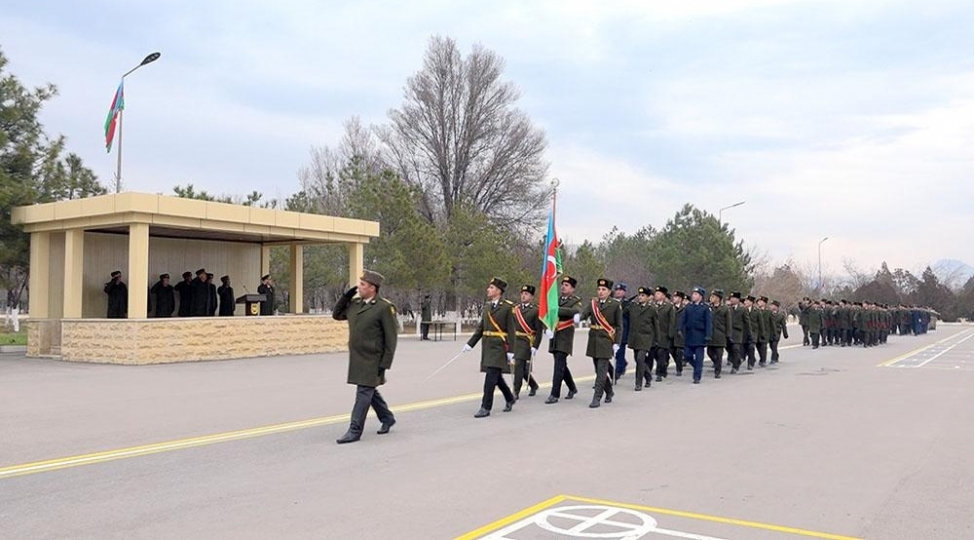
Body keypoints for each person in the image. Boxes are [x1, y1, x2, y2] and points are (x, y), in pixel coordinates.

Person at [333, 270, 398, 444]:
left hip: (373, 359)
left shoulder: (384, 308)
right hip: (357, 357)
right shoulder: (355, 304)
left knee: (363, 392)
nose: (359, 287)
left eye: (363, 284)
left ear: (372, 288)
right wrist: (345, 297)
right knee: (368, 390)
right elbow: (337, 314)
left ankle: (355, 430)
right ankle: (387, 417)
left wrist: (385, 363)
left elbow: (391, 339)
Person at [461, 277, 517, 418]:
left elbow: (511, 330)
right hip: (487, 346)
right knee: (496, 377)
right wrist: (470, 344)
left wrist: (511, 351)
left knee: (490, 377)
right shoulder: (487, 306)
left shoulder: (507, 307)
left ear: (498, 291)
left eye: (491, 288)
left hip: (499, 347)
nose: (488, 290)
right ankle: (509, 397)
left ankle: (485, 407)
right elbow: (481, 328)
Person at [574, 278, 623, 408]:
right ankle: (609, 391)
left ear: (609, 291)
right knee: (598, 370)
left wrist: (617, 342)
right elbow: (585, 314)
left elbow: (619, 326)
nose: (600, 292)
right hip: (594, 340)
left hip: (606, 340)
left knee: (601, 370)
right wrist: (578, 317)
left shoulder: (615, 305)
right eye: (599, 289)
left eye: (604, 289)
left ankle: (596, 397)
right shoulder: (593, 303)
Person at [545, 276, 582, 404]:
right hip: (555, 336)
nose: (563, 287)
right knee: (561, 365)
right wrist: (547, 327)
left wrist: (557, 309)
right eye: (563, 285)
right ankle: (572, 387)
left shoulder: (575, 301)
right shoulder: (556, 300)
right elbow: (549, 314)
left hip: (565, 337)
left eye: (567, 285)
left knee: (558, 365)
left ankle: (554, 394)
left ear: (572, 289)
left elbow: (575, 311)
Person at [510, 285, 542, 399]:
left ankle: (515, 392)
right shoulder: (515, 309)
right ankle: (533, 385)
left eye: (526, 294)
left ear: (532, 297)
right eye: (522, 293)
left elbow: (539, 331)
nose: (523, 296)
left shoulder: (535, 310)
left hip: (526, 341)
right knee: (522, 369)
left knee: (518, 365)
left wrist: (536, 346)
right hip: (515, 341)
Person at [679, 286, 713, 384]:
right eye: (693, 294)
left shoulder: (705, 308)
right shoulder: (688, 307)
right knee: (687, 355)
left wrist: (708, 334)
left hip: (700, 336)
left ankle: (697, 376)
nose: (693, 296)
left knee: (699, 358)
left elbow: (708, 322)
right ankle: (697, 367)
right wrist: (679, 329)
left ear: (700, 296)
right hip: (689, 335)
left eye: (695, 294)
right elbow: (683, 319)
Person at [627, 287, 656, 391]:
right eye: (639, 295)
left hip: (645, 338)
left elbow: (656, 325)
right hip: (635, 338)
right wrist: (626, 301)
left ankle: (638, 383)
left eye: (643, 295)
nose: (640, 297)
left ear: (648, 297)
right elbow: (623, 310)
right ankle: (648, 376)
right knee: (638, 360)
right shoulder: (633, 307)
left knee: (640, 359)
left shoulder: (651, 309)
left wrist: (657, 340)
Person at [653, 286, 676, 381]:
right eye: (656, 293)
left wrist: (670, 334)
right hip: (653, 335)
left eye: (658, 294)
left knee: (661, 353)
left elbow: (672, 321)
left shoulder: (669, 307)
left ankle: (659, 373)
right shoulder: (652, 306)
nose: (656, 295)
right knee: (655, 354)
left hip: (664, 334)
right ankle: (663, 367)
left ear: (663, 296)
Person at [707, 289, 731, 379]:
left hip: (721, 334)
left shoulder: (725, 309)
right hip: (711, 335)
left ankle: (717, 371)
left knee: (719, 354)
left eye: (713, 296)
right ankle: (716, 362)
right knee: (709, 352)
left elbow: (728, 323)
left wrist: (728, 335)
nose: (711, 298)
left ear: (718, 298)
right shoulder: (708, 308)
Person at [612, 283, 631, 380]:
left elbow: (630, 319)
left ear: (624, 292)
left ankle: (618, 371)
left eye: (620, 290)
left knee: (620, 351)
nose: (618, 292)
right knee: (614, 352)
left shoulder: (628, 304)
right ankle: (623, 363)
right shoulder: (612, 302)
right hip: (613, 330)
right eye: (617, 290)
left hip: (623, 330)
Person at [727, 292, 748, 374]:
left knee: (735, 348)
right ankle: (737, 359)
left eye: (734, 298)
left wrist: (749, 334)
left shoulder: (742, 310)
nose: (731, 300)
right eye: (731, 298)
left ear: (738, 299)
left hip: (738, 332)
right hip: (729, 332)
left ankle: (735, 367)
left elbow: (747, 323)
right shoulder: (728, 309)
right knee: (729, 349)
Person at [670, 291, 687, 377]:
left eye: (676, 297)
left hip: (681, 333)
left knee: (679, 351)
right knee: (672, 350)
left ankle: (679, 369)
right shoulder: (670, 308)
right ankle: (678, 363)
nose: (674, 298)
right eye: (674, 297)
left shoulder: (685, 309)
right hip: (671, 332)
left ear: (680, 299)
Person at [756, 296, 772, 367]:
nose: (759, 303)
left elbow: (772, 323)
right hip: (757, 332)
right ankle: (761, 358)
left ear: (765, 303)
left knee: (763, 346)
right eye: (758, 301)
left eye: (761, 301)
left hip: (765, 332)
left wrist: (773, 333)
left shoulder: (768, 312)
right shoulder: (756, 311)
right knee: (758, 346)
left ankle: (763, 360)